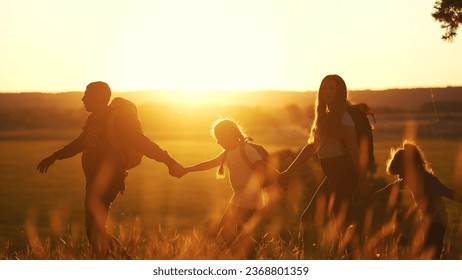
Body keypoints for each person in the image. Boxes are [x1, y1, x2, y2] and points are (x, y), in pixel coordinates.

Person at [36, 81, 185, 259]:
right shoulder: (93, 119)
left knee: (94, 230)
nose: (83, 99)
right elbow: (80, 144)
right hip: (94, 180)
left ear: (99, 97)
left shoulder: (118, 120)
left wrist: (170, 162)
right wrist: (54, 157)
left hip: (109, 180)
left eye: (87, 94)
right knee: (94, 231)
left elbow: (143, 143)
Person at [279, 74, 372, 253]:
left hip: (344, 174)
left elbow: (354, 153)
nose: (327, 91)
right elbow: (312, 147)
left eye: (332, 88)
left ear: (339, 92)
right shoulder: (323, 117)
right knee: (336, 224)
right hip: (332, 175)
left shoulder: (344, 119)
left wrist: (364, 182)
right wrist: (288, 172)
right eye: (324, 87)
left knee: (336, 223)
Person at [183, 118, 277, 259]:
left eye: (219, 138)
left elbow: (260, 168)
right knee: (233, 233)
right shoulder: (228, 153)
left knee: (228, 232)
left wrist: (253, 190)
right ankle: (247, 258)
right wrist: (186, 170)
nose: (218, 142)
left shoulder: (246, 149)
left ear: (230, 134)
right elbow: (209, 164)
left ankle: (247, 259)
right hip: (239, 198)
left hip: (248, 199)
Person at [376, 141, 462, 259]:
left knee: (432, 255)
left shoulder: (427, 179)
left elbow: (447, 192)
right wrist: (374, 195)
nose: (399, 177)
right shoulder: (411, 177)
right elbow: (394, 187)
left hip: (437, 221)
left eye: (400, 173)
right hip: (427, 220)